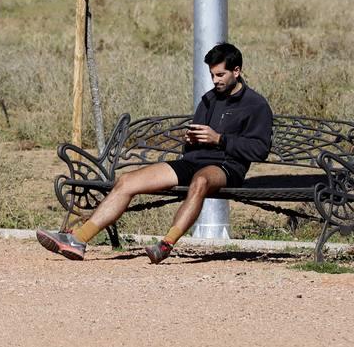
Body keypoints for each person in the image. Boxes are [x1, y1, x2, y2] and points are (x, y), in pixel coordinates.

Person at [36, 42, 273, 264]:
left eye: (220, 75)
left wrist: (220, 139)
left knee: (200, 181)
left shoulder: (256, 105)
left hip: (226, 167)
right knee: (127, 181)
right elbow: (193, 143)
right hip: (192, 161)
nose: (215, 80)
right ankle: (78, 240)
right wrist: (190, 141)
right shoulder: (209, 99)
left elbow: (260, 149)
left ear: (237, 71)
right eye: (212, 75)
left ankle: (166, 244)